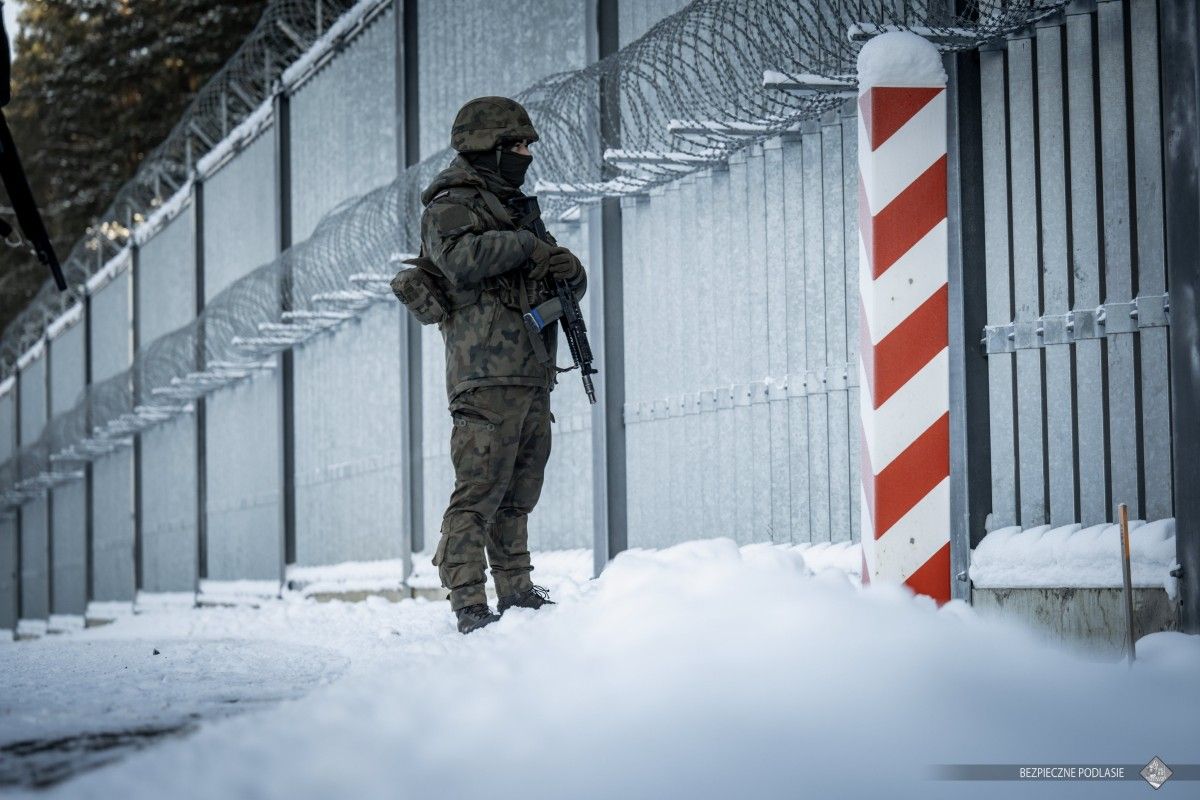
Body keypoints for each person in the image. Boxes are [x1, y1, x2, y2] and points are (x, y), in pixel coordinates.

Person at [417, 96, 587, 634]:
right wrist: (524, 245)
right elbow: (459, 260)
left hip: (531, 369)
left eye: (527, 145)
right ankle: (468, 598)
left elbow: (558, 283)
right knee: (479, 490)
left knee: (520, 491)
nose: (525, 155)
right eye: (515, 145)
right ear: (484, 146)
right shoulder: (451, 203)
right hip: (484, 373)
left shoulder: (515, 207)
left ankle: (516, 589)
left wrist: (569, 268)